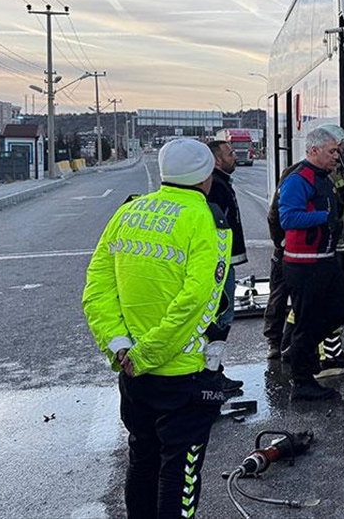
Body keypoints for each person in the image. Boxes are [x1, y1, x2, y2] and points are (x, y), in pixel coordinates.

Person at [82, 138, 233, 519]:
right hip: (181, 375)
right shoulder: (207, 220)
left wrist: (121, 348)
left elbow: (97, 290)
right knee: (180, 472)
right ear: (206, 177)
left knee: (143, 457)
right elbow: (199, 304)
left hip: (133, 373)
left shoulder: (127, 212)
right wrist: (148, 354)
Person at [277, 126, 344, 400]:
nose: (338, 156)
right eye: (332, 151)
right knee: (307, 321)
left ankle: (304, 352)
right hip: (304, 264)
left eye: (338, 150)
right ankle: (301, 381)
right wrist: (323, 218)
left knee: (342, 309)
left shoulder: (323, 176)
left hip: (326, 259)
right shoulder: (299, 179)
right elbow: (287, 219)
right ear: (314, 151)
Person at [204, 140, 246, 393]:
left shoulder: (220, 183)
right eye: (230, 154)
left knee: (221, 317)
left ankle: (213, 372)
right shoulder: (216, 187)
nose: (235, 157)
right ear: (217, 160)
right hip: (219, 266)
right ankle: (211, 374)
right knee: (221, 317)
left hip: (224, 263)